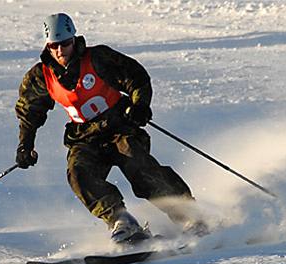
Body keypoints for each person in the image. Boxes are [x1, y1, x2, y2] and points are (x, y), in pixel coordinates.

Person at [15, 13, 207, 243]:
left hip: (120, 127)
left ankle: (189, 217)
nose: (60, 50)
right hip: (85, 137)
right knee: (79, 175)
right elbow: (29, 112)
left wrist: (140, 106)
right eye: (54, 45)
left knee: (139, 166)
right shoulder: (40, 77)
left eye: (65, 43)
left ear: (74, 40)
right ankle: (121, 221)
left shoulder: (98, 58)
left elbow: (136, 77)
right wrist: (26, 144)